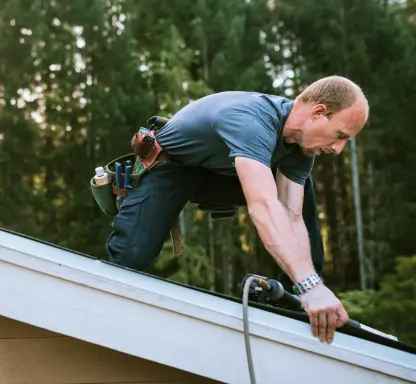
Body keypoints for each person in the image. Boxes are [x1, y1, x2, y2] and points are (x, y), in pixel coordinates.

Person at [106, 75, 369, 344]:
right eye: (340, 136)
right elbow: (264, 207)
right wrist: (311, 285)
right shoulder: (251, 121)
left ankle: (304, 299)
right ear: (318, 112)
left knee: (303, 192)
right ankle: (109, 310)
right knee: (132, 256)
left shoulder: (301, 150)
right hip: (170, 166)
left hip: (218, 172)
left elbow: (291, 216)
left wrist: (310, 285)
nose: (338, 149)